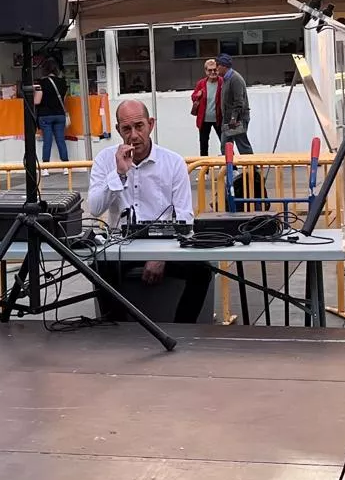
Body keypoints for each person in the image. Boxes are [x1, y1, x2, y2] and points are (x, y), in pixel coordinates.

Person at [86, 101, 212, 323]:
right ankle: (117, 330)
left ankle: (183, 329)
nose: (134, 135)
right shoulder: (105, 160)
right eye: (126, 129)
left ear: (151, 125)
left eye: (139, 126)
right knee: (99, 266)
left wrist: (161, 255)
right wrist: (119, 174)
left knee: (201, 271)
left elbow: (184, 217)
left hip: (165, 243)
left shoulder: (173, 162)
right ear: (118, 130)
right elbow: (95, 208)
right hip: (120, 245)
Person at [32, 58, 70, 162]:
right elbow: (64, 99)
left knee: (47, 141)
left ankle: (45, 168)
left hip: (45, 115)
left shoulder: (41, 83)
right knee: (61, 140)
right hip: (60, 115)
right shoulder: (63, 83)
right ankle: (66, 166)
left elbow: (37, 101)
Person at [216, 53, 252, 154]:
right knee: (225, 146)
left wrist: (233, 118)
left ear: (224, 66)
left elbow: (239, 101)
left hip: (237, 119)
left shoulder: (235, 79)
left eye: (218, 65)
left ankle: (253, 168)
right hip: (229, 119)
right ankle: (231, 169)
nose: (216, 68)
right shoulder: (226, 79)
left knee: (242, 145)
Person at [191, 58, 225, 156]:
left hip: (219, 119)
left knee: (225, 143)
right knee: (203, 145)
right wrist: (197, 95)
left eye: (215, 69)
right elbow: (193, 97)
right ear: (206, 71)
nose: (213, 72)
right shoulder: (201, 83)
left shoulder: (222, 82)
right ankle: (204, 170)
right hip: (204, 120)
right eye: (210, 70)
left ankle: (232, 168)